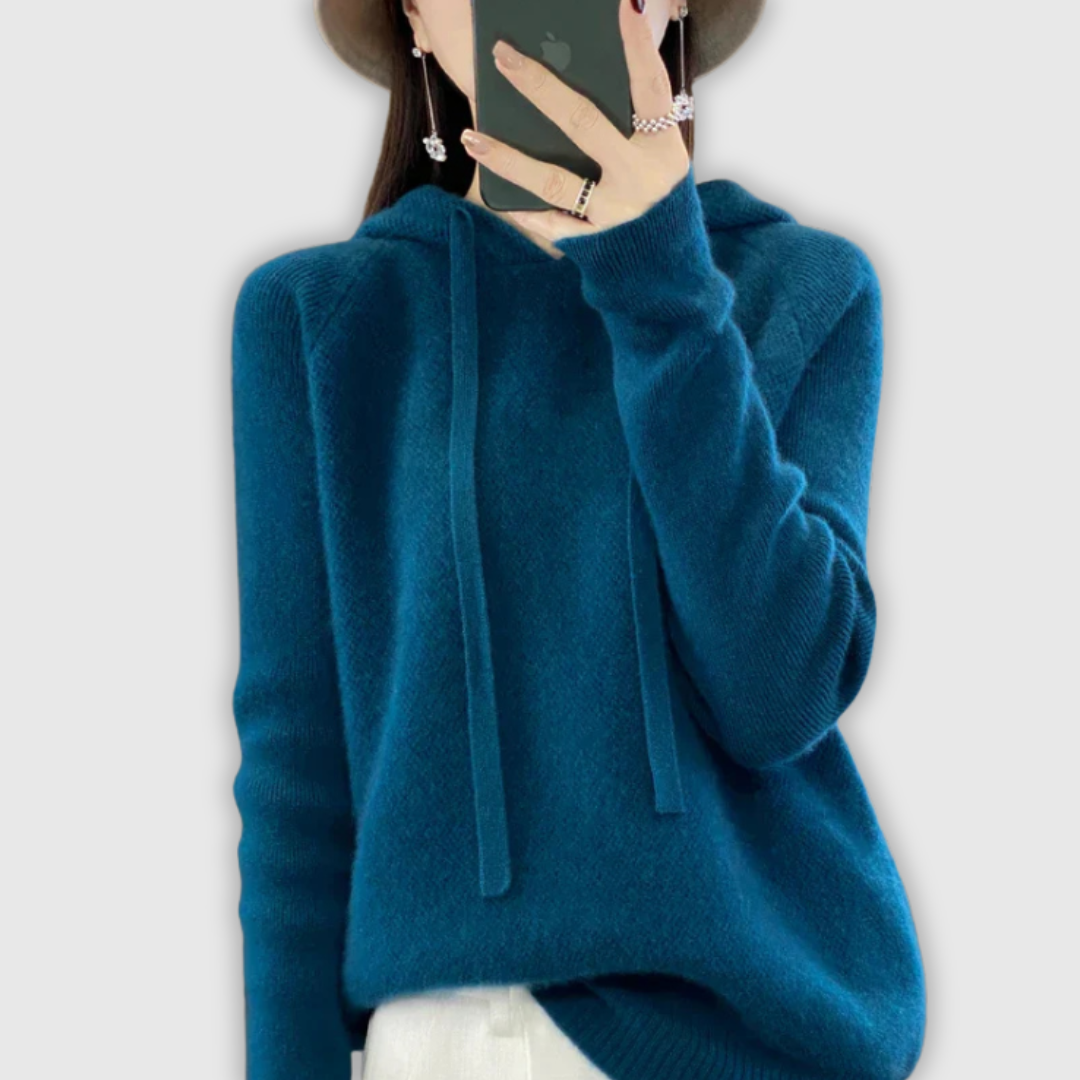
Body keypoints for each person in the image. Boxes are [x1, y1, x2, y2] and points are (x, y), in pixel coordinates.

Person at [226, 0, 928, 1077]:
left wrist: (659, 276)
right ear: (416, 17)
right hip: (449, 1042)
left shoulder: (802, 286)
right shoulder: (317, 319)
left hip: (742, 1042)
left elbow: (779, 691)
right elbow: (297, 778)